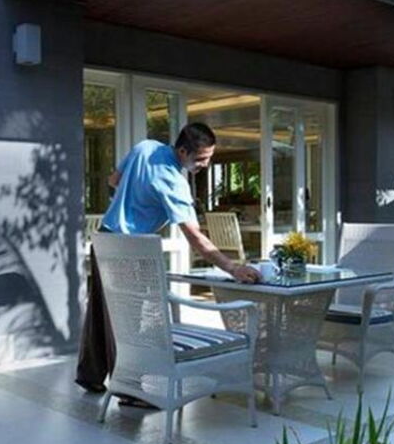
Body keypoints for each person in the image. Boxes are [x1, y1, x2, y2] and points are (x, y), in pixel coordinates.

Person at [76, 123, 261, 394]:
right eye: (201, 159)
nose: (205, 165)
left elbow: (113, 180)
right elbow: (195, 237)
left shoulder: (145, 147)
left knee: (101, 312)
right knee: (130, 323)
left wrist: (136, 198)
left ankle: (90, 376)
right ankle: (129, 390)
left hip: (105, 238)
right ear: (183, 151)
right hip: (129, 248)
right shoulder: (174, 183)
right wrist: (233, 268)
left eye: (209, 158)